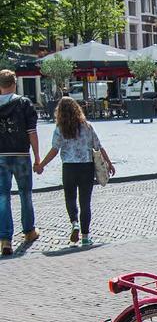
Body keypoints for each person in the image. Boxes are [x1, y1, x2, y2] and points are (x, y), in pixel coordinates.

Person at [36, 96, 115, 247]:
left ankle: (74, 223)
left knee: (70, 198)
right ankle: (85, 237)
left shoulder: (60, 129)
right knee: (85, 203)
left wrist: (42, 165)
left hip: (69, 168)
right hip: (86, 167)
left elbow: (54, 150)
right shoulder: (87, 126)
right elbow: (99, 146)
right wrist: (109, 163)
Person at [0, 69, 40, 255]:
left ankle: (5, 239)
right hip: (22, 155)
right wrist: (37, 157)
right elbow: (32, 133)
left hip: (0, 156)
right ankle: (29, 231)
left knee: (2, 196)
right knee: (25, 193)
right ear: (14, 83)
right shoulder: (24, 103)